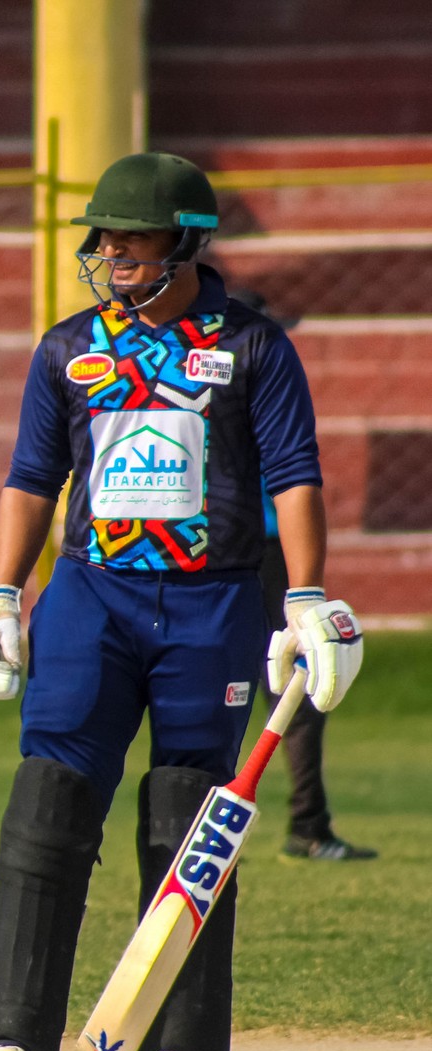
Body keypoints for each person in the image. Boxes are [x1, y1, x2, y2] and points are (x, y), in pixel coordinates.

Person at [0, 152, 363, 1051]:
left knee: (190, 812)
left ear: (184, 243)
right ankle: (13, 1036)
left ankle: (181, 1041)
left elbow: (295, 474)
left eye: (129, 241)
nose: (110, 256)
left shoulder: (253, 347)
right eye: (104, 242)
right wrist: (3, 593)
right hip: (91, 599)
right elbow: (31, 479)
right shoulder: (67, 349)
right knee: (51, 799)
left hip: (212, 603)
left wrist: (306, 597)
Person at [231, 290, 374, 863]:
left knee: (235, 684)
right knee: (297, 680)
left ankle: (197, 827)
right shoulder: (256, 379)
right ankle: (308, 825)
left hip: (220, 548)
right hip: (266, 547)